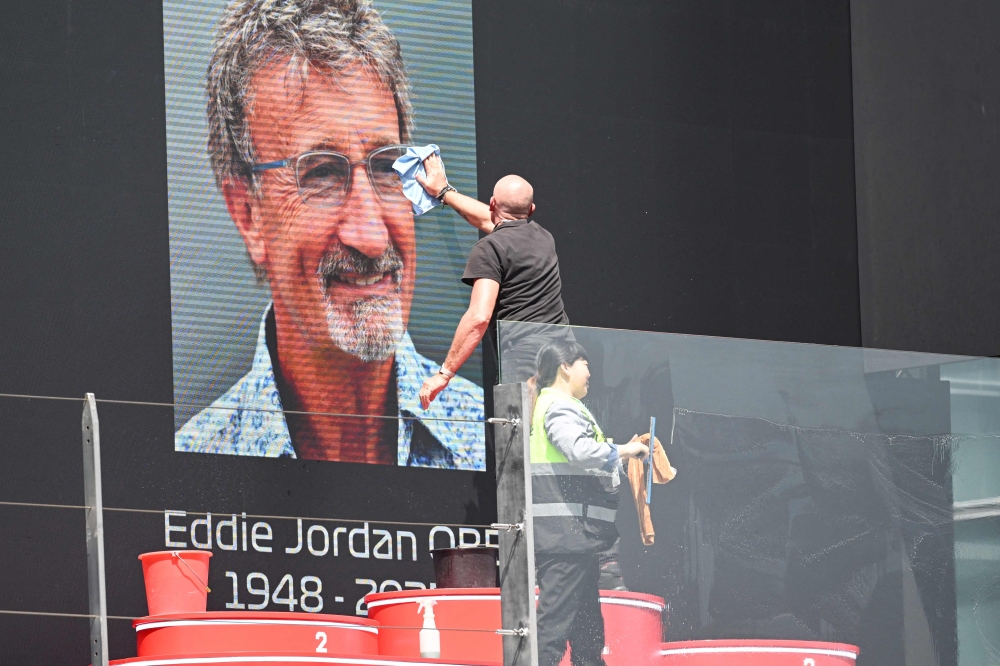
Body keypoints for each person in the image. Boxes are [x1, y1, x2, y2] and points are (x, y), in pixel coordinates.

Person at [175, 0, 484, 470]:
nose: (373, 236)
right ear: (248, 213)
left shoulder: (493, 444)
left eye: (387, 167)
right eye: (320, 174)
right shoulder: (197, 465)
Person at [415, 155, 570, 409]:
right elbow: (494, 221)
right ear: (531, 210)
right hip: (565, 363)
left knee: (522, 445)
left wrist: (444, 375)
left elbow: (478, 317)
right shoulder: (543, 238)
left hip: (527, 372)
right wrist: (444, 192)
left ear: (492, 203)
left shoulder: (488, 249)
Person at [530, 340, 649, 666]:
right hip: (566, 536)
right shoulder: (560, 406)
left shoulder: (550, 404)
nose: (590, 373)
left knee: (587, 635)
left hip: (573, 539)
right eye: (585, 364)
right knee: (554, 633)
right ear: (565, 367)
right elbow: (579, 451)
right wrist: (624, 450)